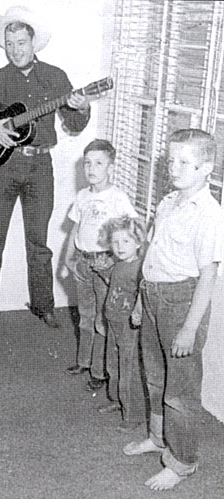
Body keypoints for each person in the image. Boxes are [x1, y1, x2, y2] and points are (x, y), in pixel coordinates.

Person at [0, 5, 91, 333]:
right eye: (10, 43)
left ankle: (44, 306)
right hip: (3, 169)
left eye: (21, 43)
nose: (15, 50)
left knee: (38, 242)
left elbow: (72, 123)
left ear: (34, 43)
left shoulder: (55, 77)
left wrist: (82, 109)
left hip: (41, 166)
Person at [123, 129, 224, 491]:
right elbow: (152, 256)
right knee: (155, 376)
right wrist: (139, 299)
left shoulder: (209, 213)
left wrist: (188, 328)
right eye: (171, 160)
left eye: (185, 161)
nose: (174, 167)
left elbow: (208, 277)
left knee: (179, 391)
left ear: (206, 167)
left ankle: (183, 462)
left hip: (181, 305)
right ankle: (159, 437)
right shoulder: (168, 201)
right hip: (152, 297)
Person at [64, 139, 138, 391]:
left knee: (102, 319)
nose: (91, 168)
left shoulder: (118, 198)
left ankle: (100, 370)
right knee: (85, 316)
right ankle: (84, 361)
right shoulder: (82, 196)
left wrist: (114, 259)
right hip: (82, 262)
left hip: (105, 264)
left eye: (98, 163)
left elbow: (131, 231)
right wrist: (68, 256)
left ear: (110, 166)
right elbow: (76, 227)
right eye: (87, 163)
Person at [93, 216, 147, 433]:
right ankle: (117, 400)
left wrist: (138, 311)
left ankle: (133, 414)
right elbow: (115, 284)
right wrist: (102, 271)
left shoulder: (139, 268)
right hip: (112, 323)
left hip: (128, 327)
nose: (119, 247)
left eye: (126, 241)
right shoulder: (119, 265)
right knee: (112, 365)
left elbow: (142, 293)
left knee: (128, 370)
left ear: (138, 242)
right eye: (115, 243)